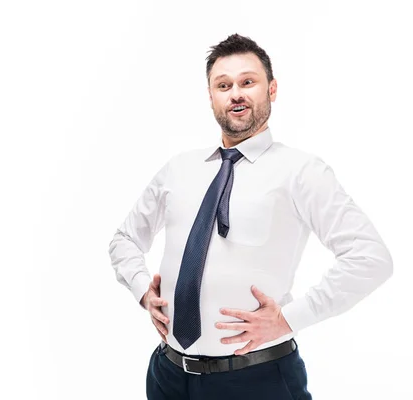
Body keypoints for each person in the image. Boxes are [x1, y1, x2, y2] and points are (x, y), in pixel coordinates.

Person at [107, 33, 393, 400]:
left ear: (271, 89)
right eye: (223, 85)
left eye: (248, 82)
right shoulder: (178, 169)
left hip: (256, 380)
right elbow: (124, 239)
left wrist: (290, 319)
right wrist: (142, 290)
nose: (235, 93)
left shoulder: (301, 171)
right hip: (169, 375)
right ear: (210, 97)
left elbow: (371, 258)